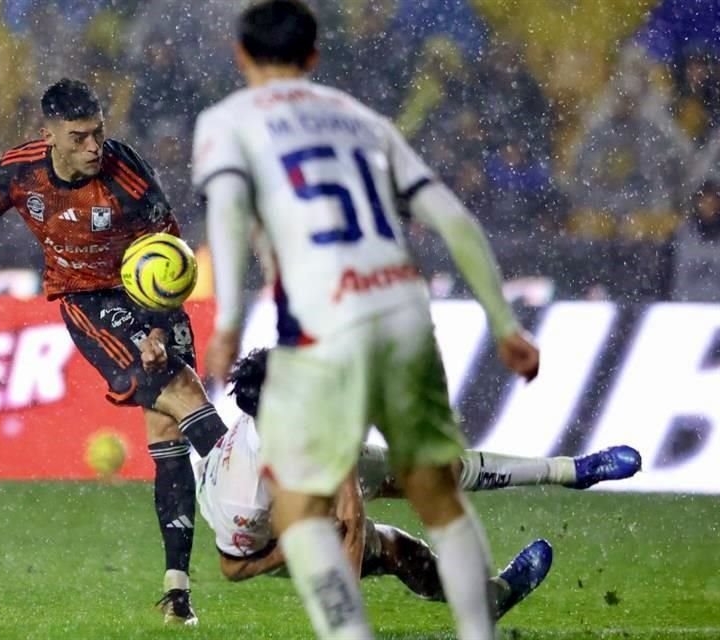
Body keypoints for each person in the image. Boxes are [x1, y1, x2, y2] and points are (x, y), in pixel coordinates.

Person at [193, 3, 540, 638]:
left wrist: (229, 324)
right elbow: (456, 221)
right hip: (402, 312)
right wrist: (503, 321)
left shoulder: (229, 121)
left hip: (326, 325)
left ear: (242, 56)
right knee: (436, 492)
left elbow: (229, 218)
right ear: (315, 58)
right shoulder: (364, 120)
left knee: (306, 509)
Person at [0, 78, 229, 626]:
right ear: (49, 136)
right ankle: (263, 493)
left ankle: (177, 590)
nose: (94, 147)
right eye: (80, 137)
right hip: (87, 300)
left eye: (99, 134)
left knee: (167, 428)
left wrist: (157, 325)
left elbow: (171, 250)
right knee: (181, 392)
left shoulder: (125, 173)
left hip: (151, 295)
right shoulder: (21, 170)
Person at [197, 349, 639, 594]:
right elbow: (233, 568)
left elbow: (348, 502)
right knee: (395, 549)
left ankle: (571, 470)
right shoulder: (244, 499)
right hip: (277, 528)